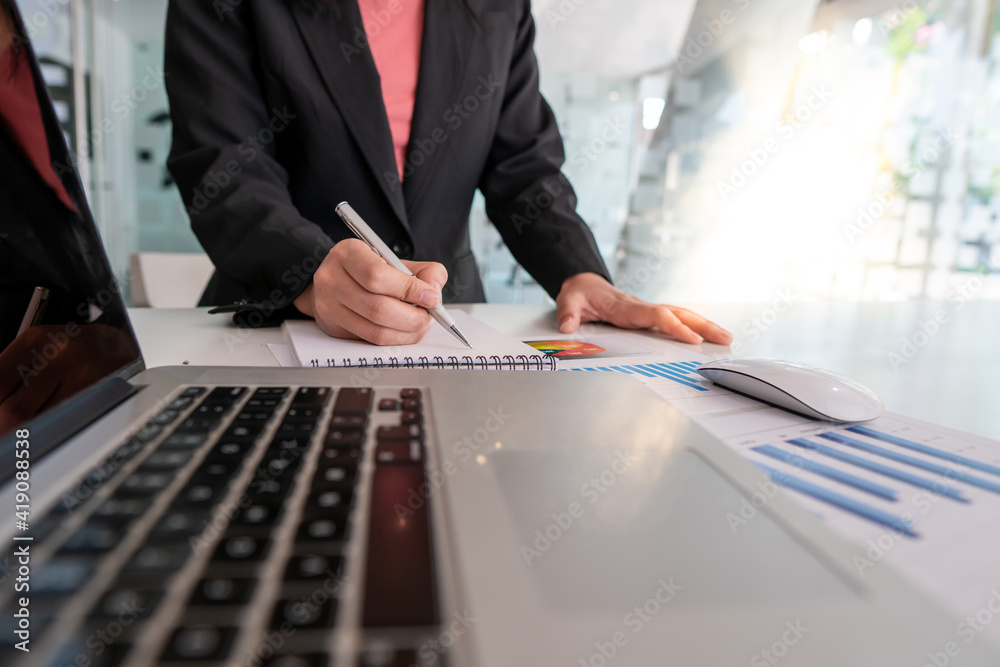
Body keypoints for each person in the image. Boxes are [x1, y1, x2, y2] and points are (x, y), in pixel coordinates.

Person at [165, 0, 732, 347]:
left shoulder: (498, 6)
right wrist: (310, 270)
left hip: (447, 323)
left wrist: (579, 274)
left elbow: (524, 166)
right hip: (282, 315)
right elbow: (223, 164)